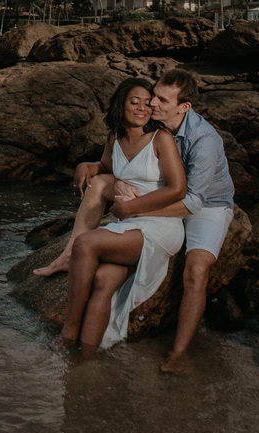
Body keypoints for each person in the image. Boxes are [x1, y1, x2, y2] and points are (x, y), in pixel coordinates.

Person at [39, 69, 234, 372]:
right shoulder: (138, 132)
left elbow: (190, 198)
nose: (151, 104)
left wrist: (132, 209)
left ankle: (176, 354)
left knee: (195, 271)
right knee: (103, 280)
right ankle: (82, 366)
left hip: (207, 206)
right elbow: (121, 168)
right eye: (149, 96)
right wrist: (93, 170)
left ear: (184, 107)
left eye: (159, 99)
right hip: (151, 210)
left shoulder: (200, 139)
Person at [32, 77, 186, 354]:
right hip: (131, 226)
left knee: (85, 244)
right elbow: (105, 167)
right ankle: (85, 358)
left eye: (145, 102)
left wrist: (131, 208)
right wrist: (86, 165)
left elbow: (178, 189)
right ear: (120, 105)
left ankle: (68, 332)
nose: (142, 108)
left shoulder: (160, 139)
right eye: (133, 102)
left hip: (160, 226)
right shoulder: (114, 138)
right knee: (102, 281)